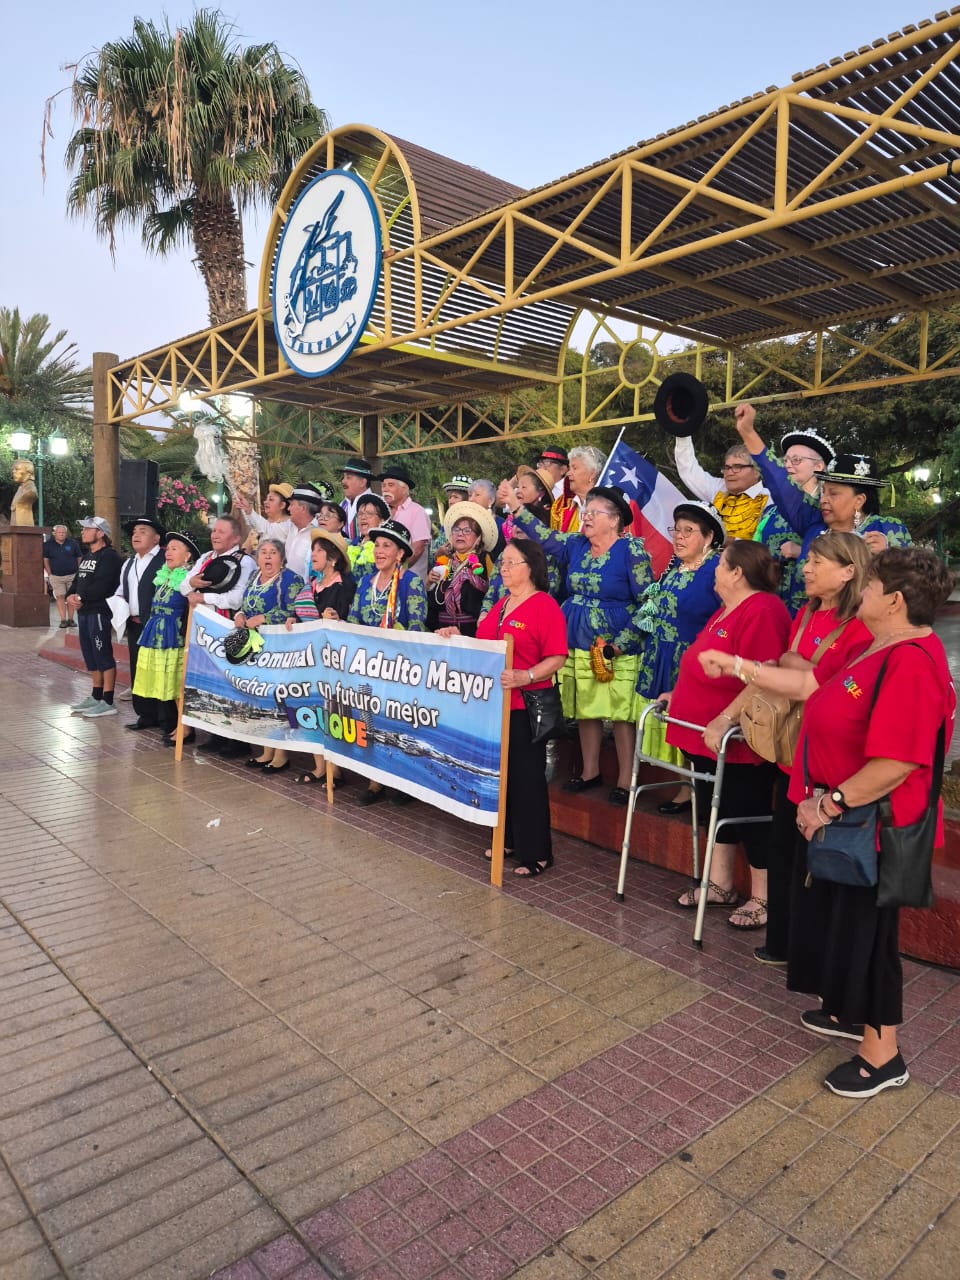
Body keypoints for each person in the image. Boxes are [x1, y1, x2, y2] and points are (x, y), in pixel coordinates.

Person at [790, 548, 954, 1098]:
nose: (861, 592)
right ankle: (847, 1013)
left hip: (877, 828)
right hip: (857, 821)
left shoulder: (911, 662)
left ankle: (883, 1057)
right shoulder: (882, 645)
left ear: (895, 600)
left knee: (872, 937)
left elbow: (896, 763)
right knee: (848, 926)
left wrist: (827, 805)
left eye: (871, 586)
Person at [698, 532, 873, 962]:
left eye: (817, 562)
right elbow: (786, 669)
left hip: (831, 760)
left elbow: (822, 684)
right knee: (786, 848)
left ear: (848, 572)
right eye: (807, 560)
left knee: (820, 857)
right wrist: (799, 671)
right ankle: (784, 944)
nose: (805, 569)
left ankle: (813, 956)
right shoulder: (806, 613)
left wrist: (795, 669)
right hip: (793, 750)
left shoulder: (860, 626)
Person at [661, 540, 791, 929]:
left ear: (737, 572)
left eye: (719, 563)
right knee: (716, 807)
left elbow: (764, 674)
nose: (713, 570)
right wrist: (678, 694)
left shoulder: (763, 609)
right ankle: (719, 883)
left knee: (748, 810)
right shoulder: (726, 608)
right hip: (705, 736)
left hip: (739, 737)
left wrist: (725, 717)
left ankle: (764, 896)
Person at [500, 481, 653, 805]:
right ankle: (590, 771)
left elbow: (649, 604)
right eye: (586, 511)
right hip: (577, 638)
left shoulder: (632, 551)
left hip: (616, 643)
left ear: (614, 519)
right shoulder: (576, 545)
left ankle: (626, 780)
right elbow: (543, 536)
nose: (586, 517)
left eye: (594, 512)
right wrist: (516, 506)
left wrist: (621, 644)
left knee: (621, 713)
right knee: (586, 707)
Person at [439, 540, 568, 877]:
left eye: (511, 562)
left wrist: (527, 675)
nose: (504, 569)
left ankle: (537, 852)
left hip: (526, 705)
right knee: (502, 777)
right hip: (495, 706)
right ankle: (508, 839)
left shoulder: (544, 606)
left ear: (531, 567)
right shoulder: (502, 604)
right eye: (503, 563)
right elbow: (484, 644)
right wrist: (457, 634)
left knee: (527, 779)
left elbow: (557, 656)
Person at [635, 501, 723, 810]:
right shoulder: (675, 568)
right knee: (675, 726)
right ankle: (687, 786)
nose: (679, 536)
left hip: (693, 660)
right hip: (664, 654)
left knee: (692, 727)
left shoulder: (715, 570)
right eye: (677, 530)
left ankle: (698, 793)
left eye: (689, 531)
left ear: (708, 537)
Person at [733, 404, 911, 556]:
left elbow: (913, 575)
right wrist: (748, 433)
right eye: (824, 491)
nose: (823, 499)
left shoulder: (886, 529)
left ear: (859, 500)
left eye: (833, 493)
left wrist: (887, 554)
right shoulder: (814, 523)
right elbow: (779, 481)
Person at [348, 518, 428, 806]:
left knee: (398, 724)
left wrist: (397, 638)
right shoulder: (364, 583)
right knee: (369, 720)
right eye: (377, 545)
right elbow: (353, 621)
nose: (379, 551)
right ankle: (375, 782)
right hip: (368, 666)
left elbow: (418, 626)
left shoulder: (410, 582)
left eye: (386, 546)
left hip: (398, 668)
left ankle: (404, 780)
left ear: (400, 553)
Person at [180, 515, 256, 758]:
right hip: (203, 630)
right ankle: (216, 733)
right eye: (214, 531)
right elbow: (183, 586)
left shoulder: (244, 562)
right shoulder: (205, 558)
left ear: (235, 538)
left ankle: (237, 740)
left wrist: (203, 596)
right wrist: (192, 582)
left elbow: (237, 598)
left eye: (221, 532)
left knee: (231, 681)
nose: (215, 535)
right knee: (210, 680)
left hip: (228, 627)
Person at [286, 529, 357, 786]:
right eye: (312, 550)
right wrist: (294, 618)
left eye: (319, 551)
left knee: (331, 712)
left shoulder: (345, 585)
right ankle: (319, 767)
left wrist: (337, 620)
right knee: (309, 707)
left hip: (332, 660)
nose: (313, 554)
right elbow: (300, 612)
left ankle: (335, 770)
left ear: (333, 558)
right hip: (308, 657)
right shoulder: (312, 585)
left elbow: (350, 620)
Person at [235, 538, 305, 774]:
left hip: (280, 648)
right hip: (255, 648)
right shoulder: (253, 576)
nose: (267, 556)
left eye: (273, 552)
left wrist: (264, 618)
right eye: (263, 552)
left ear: (282, 558)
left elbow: (294, 610)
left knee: (278, 698)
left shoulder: (291, 579)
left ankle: (281, 754)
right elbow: (245, 604)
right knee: (261, 697)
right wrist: (240, 614)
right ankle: (266, 750)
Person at [754, 430, 835, 615]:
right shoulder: (770, 511)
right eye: (785, 461)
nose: (788, 465)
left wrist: (802, 552)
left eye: (796, 460)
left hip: (807, 602)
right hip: (769, 599)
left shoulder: (828, 509)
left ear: (819, 466)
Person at [133, 532, 200, 746]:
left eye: (175, 549)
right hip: (158, 633)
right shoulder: (163, 577)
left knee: (178, 683)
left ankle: (186, 728)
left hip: (175, 636)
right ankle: (180, 725)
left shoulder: (189, 580)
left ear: (187, 556)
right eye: (168, 548)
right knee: (169, 683)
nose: (168, 553)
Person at [65, 516, 124, 718]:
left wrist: (81, 597)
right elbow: (78, 581)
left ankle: (108, 700)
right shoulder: (88, 556)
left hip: (99, 612)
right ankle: (96, 695)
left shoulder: (109, 557)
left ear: (100, 533)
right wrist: (71, 595)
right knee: (90, 655)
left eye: (87, 529)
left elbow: (102, 584)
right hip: (84, 613)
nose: (83, 532)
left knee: (102, 654)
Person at [116, 516, 167, 726]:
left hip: (157, 625)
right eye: (134, 532)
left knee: (158, 670)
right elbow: (121, 590)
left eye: (143, 531)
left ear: (156, 538)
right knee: (138, 669)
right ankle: (145, 714)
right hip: (134, 624)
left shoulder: (164, 560)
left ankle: (164, 718)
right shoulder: (129, 562)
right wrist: (118, 603)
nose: (136, 535)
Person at [674, 430, 769, 539]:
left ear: (757, 471)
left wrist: (731, 542)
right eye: (727, 467)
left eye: (737, 467)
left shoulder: (770, 499)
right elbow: (689, 471)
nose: (730, 472)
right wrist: (683, 430)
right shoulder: (719, 488)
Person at [425, 501, 497, 637]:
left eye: (467, 530)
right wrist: (428, 582)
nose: (460, 534)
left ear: (478, 538)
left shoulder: (484, 559)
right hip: (442, 632)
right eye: (456, 530)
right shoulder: (446, 561)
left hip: (472, 633)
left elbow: (494, 591)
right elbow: (433, 597)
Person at [379, 465, 431, 579]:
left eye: (390, 485)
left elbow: (418, 548)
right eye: (383, 485)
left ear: (403, 489)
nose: (385, 489)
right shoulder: (381, 512)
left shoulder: (417, 511)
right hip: (383, 579)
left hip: (409, 580)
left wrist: (398, 569)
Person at [550, 445, 605, 533]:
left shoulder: (607, 508)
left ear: (592, 474)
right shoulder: (560, 507)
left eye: (574, 468)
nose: (568, 473)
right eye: (569, 468)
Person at [43, 524, 82, 628]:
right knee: (60, 597)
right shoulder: (48, 545)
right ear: (54, 533)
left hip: (72, 575)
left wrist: (79, 572)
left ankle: (71, 619)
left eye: (63, 533)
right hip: (56, 576)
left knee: (71, 597)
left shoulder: (73, 543)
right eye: (59, 532)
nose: (61, 534)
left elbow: (79, 557)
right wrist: (50, 573)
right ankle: (63, 620)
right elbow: (45, 559)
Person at [347, 494, 390, 576]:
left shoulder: (385, 546)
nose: (363, 517)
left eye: (369, 514)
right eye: (360, 514)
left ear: (382, 520)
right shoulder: (353, 543)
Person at [340, 457, 375, 542]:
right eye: (343, 477)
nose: (343, 481)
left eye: (348, 477)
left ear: (362, 482)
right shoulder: (342, 505)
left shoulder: (376, 504)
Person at [10, 459, 38, 525]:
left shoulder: (31, 491)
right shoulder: (20, 488)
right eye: (13, 469)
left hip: (23, 526)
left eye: (17, 469)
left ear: (29, 473)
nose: (13, 471)